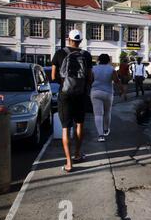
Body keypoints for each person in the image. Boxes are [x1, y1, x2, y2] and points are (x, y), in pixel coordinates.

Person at [52, 30, 92, 173]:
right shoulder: (86, 55)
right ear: (80, 41)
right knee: (79, 124)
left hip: (65, 94)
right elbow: (89, 77)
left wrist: (64, 83)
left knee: (65, 128)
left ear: (67, 39)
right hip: (80, 94)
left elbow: (53, 76)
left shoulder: (59, 53)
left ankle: (69, 163)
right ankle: (77, 154)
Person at [91, 54, 122, 143]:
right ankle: (106, 129)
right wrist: (122, 90)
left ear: (99, 60)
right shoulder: (111, 69)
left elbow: (90, 80)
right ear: (108, 60)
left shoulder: (94, 69)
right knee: (107, 112)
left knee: (98, 114)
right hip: (108, 93)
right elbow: (116, 81)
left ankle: (101, 136)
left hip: (95, 92)